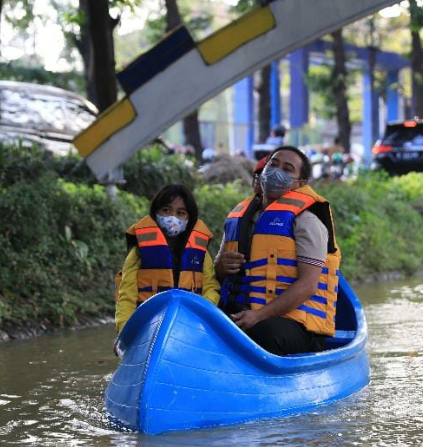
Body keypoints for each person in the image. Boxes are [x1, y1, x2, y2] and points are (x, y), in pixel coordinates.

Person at [214, 146, 342, 355]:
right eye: (273, 164)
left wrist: (259, 315)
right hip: (246, 313)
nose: (276, 171)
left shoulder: (308, 221)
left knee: (257, 333)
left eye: (287, 169)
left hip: (296, 325)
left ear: (300, 183)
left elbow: (309, 285)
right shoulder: (239, 219)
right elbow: (217, 270)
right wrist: (221, 267)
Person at [115, 185, 220, 335]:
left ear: (189, 218)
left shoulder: (201, 253)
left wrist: (199, 316)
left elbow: (211, 287)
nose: (172, 218)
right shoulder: (138, 251)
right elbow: (126, 295)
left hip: (189, 325)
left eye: (180, 213)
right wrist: (124, 332)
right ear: (155, 213)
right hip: (148, 326)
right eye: (166, 210)